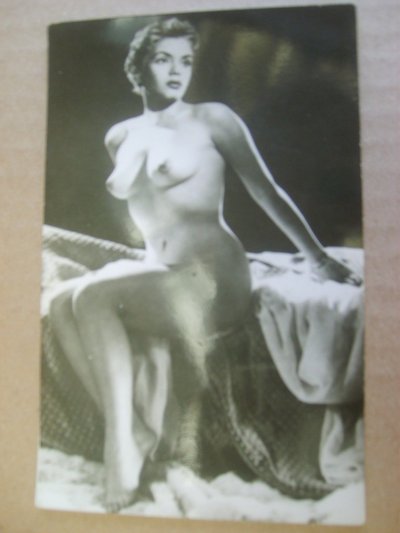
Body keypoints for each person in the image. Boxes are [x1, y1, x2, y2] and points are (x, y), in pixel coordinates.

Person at [48, 17, 361, 512]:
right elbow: (136, 200)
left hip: (214, 277)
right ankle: (132, 429)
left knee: (89, 298)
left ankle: (121, 448)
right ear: (140, 68)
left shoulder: (214, 120)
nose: (178, 70)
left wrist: (317, 257)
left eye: (186, 60)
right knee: (62, 303)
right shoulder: (120, 135)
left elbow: (267, 192)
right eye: (164, 59)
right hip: (164, 271)